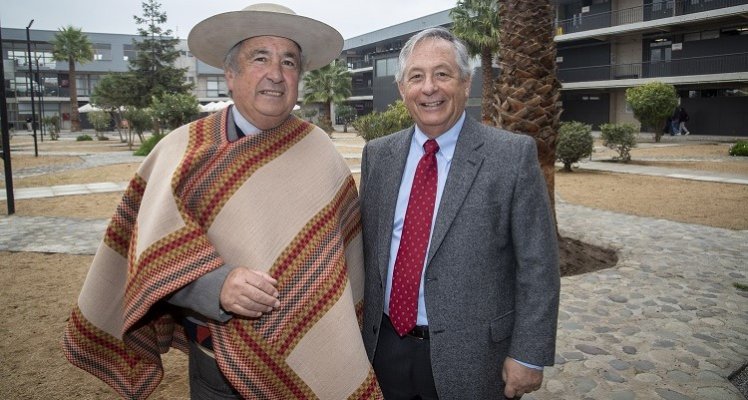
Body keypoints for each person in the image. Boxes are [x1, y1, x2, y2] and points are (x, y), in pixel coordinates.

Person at [63, 4, 381, 399]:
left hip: (313, 362)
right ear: (230, 74)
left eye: (289, 62)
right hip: (219, 371)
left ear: (300, 77)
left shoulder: (322, 154)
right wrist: (216, 287)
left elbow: (347, 263)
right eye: (259, 58)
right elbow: (147, 260)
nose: (276, 75)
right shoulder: (180, 153)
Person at [359, 27, 560, 399]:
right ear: (402, 89)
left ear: (466, 83)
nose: (429, 87)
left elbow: (538, 265)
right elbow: (368, 251)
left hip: (475, 358)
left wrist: (529, 354)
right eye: (416, 77)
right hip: (384, 348)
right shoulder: (378, 156)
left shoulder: (510, 157)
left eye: (443, 74)